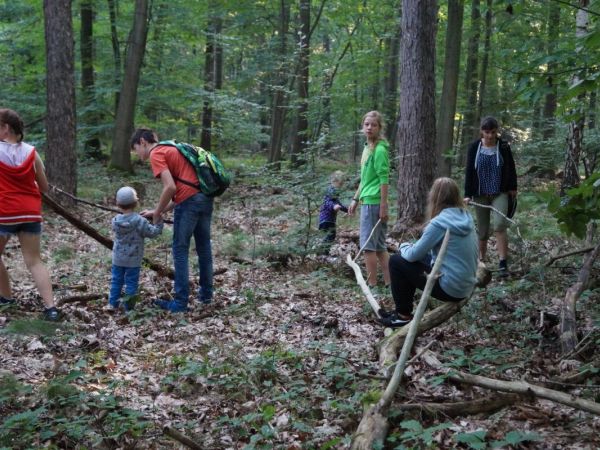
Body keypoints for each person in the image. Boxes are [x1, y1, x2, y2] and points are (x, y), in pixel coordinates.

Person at [130, 128, 214, 312]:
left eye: (136, 148)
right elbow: (185, 189)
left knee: (180, 249)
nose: (137, 154)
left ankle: (180, 303)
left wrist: (158, 213)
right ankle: (206, 295)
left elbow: (170, 188)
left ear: (143, 142)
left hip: (190, 202)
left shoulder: (156, 153)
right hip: (204, 198)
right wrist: (157, 211)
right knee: (204, 248)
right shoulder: (172, 148)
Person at [382, 177, 478, 328]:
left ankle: (403, 316)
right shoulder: (466, 216)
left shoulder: (439, 223)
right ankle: (400, 312)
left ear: (434, 198)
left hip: (451, 287)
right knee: (409, 258)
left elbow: (414, 255)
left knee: (396, 261)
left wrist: (405, 246)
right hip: (465, 284)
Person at [0, 108, 60, 321]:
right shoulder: (32, 153)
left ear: (6, 128)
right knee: (34, 260)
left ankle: (6, 298)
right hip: (30, 212)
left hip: (4, 212)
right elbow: (43, 187)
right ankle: (51, 308)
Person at [464, 116, 517, 277]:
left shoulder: (503, 146)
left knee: (500, 225)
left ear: (497, 131)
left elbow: (511, 166)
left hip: (499, 192)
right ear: (482, 131)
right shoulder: (474, 147)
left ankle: (502, 263)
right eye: (487, 132)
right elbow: (469, 171)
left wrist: (513, 187)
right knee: (483, 230)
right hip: (480, 193)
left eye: (493, 132)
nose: (490, 136)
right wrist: (467, 194)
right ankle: (481, 263)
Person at [348, 110, 390, 289]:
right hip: (366, 200)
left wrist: (383, 205)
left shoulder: (379, 150)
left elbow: (384, 178)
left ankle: (371, 285)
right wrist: (355, 199)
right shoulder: (368, 148)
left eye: (373, 125)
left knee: (368, 246)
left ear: (380, 128)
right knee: (379, 247)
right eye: (366, 124)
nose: (369, 127)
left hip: (373, 204)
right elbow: (365, 179)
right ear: (362, 127)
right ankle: (390, 283)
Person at [109, 186, 163, 311]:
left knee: (116, 281)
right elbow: (153, 232)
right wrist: (159, 222)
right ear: (136, 202)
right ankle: (129, 308)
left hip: (118, 258)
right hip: (133, 260)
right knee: (131, 283)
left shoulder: (115, 221)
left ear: (118, 203)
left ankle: (112, 304)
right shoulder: (140, 221)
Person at [318, 170, 348, 253]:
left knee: (331, 235)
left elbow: (338, 204)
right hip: (325, 219)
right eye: (340, 184)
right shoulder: (330, 190)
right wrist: (333, 206)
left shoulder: (334, 194)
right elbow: (327, 202)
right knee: (329, 235)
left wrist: (347, 210)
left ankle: (324, 252)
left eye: (342, 184)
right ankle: (322, 252)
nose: (340, 187)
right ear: (334, 181)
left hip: (330, 220)